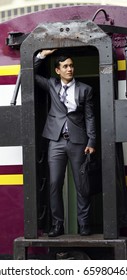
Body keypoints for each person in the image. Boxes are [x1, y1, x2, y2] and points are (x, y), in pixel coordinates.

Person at [34, 49, 96, 237]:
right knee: (54, 184)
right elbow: (30, 73)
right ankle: (57, 225)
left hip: (79, 142)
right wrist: (42, 55)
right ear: (58, 70)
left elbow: (90, 117)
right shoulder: (51, 84)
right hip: (56, 141)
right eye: (65, 66)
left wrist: (92, 140)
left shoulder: (85, 89)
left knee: (82, 184)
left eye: (71, 65)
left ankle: (83, 224)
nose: (70, 69)